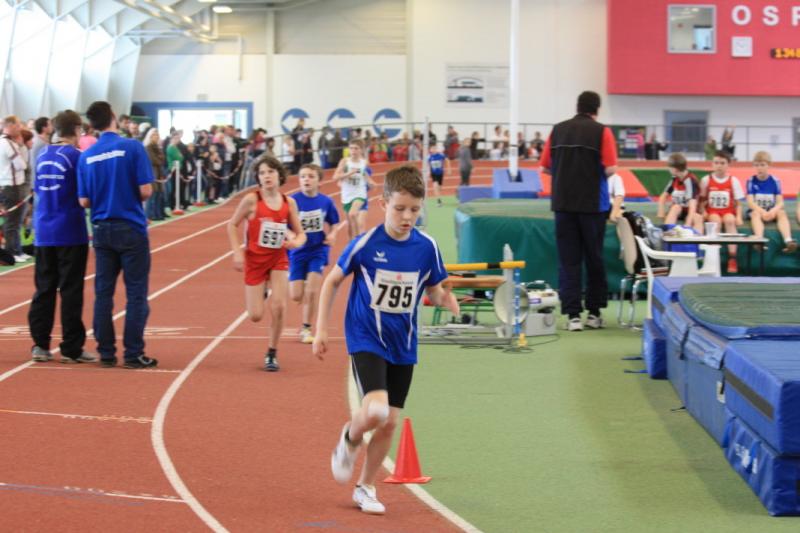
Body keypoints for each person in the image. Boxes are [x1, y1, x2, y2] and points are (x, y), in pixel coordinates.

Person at [312, 165, 459, 516]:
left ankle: (365, 487)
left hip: (403, 343)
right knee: (376, 410)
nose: (407, 217)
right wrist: (320, 329)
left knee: (389, 421)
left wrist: (445, 299)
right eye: (399, 208)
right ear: (383, 203)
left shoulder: (427, 247)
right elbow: (332, 281)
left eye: (414, 209)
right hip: (366, 336)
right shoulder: (366, 244)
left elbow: (434, 290)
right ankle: (349, 439)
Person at [77, 101, 157, 369]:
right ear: (113, 117)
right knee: (136, 294)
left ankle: (106, 352)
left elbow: (84, 201)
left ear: (92, 125)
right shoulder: (132, 147)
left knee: (103, 293)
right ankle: (133, 353)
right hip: (130, 226)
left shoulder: (86, 156)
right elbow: (146, 190)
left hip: (101, 230)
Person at [539, 91, 618, 332]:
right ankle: (594, 314)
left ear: (577, 106)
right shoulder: (602, 132)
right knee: (594, 258)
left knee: (568, 261)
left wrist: (566, 173)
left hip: (563, 205)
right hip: (593, 206)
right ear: (597, 109)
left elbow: (545, 167)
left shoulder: (558, 130)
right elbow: (611, 168)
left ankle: (573, 315)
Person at [27, 110, 96, 364]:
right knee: (71, 290)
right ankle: (71, 347)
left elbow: (37, 190)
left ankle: (40, 344)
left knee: (44, 289)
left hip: (44, 232)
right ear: (77, 129)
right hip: (70, 231)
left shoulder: (42, 154)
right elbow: (85, 194)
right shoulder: (77, 156)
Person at [227, 154, 306, 371]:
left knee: (279, 306)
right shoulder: (252, 200)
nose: (266, 176)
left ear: (279, 175)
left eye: (270, 171)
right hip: (255, 260)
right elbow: (232, 225)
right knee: (255, 315)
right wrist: (237, 253)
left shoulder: (289, 203)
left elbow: (301, 234)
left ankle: (272, 352)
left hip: (278, 259)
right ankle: (262, 289)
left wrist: (295, 242)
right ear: (258, 178)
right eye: (262, 173)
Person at [289, 164, 343, 344]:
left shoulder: (326, 201)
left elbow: (334, 222)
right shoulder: (292, 201)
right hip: (297, 251)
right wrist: (292, 236)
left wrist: (333, 234)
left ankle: (306, 328)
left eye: (311, 176)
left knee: (312, 292)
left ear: (319, 181)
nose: (306, 179)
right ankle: (301, 284)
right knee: (296, 295)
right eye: (303, 176)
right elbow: (283, 224)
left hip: (318, 250)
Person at [700, 151, 745, 273]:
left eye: (722, 163)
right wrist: (703, 212)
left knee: (730, 221)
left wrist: (739, 216)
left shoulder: (733, 180)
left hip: (728, 211)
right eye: (716, 163)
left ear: (728, 165)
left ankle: (732, 257)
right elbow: (702, 200)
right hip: (712, 211)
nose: (719, 166)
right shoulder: (706, 180)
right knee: (716, 222)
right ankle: (713, 258)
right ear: (712, 164)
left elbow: (738, 203)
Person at [746, 151, 796, 253]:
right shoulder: (751, 181)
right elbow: (750, 203)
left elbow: (780, 202)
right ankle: (759, 240)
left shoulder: (775, 181)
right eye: (757, 165)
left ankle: (788, 240)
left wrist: (773, 211)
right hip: (758, 211)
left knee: (782, 213)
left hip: (771, 211)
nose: (759, 168)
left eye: (762, 165)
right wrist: (762, 212)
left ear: (768, 165)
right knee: (755, 214)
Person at [0, 115, 31, 263]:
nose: (20, 128)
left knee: (16, 221)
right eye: (18, 125)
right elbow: (21, 165)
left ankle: (17, 250)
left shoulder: (5, 142)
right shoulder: (7, 143)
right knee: (13, 222)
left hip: (10, 186)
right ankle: (12, 251)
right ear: (10, 126)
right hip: (12, 187)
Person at [334, 139, 375, 240]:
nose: (353, 151)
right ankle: (352, 243)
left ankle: (357, 240)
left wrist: (371, 183)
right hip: (347, 195)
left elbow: (364, 174)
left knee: (353, 214)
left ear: (361, 150)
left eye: (356, 148)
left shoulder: (364, 163)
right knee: (350, 227)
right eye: (351, 148)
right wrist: (349, 173)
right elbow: (335, 177)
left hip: (360, 193)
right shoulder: (345, 162)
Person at [657, 153, 702, 233]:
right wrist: (661, 212)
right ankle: (668, 233)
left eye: (669, 168)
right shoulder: (674, 178)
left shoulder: (690, 181)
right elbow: (663, 196)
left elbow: (692, 206)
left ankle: (697, 239)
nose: (668, 169)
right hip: (678, 211)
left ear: (675, 169)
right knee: (676, 207)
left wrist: (687, 225)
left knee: (698, 218)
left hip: (690, 211)